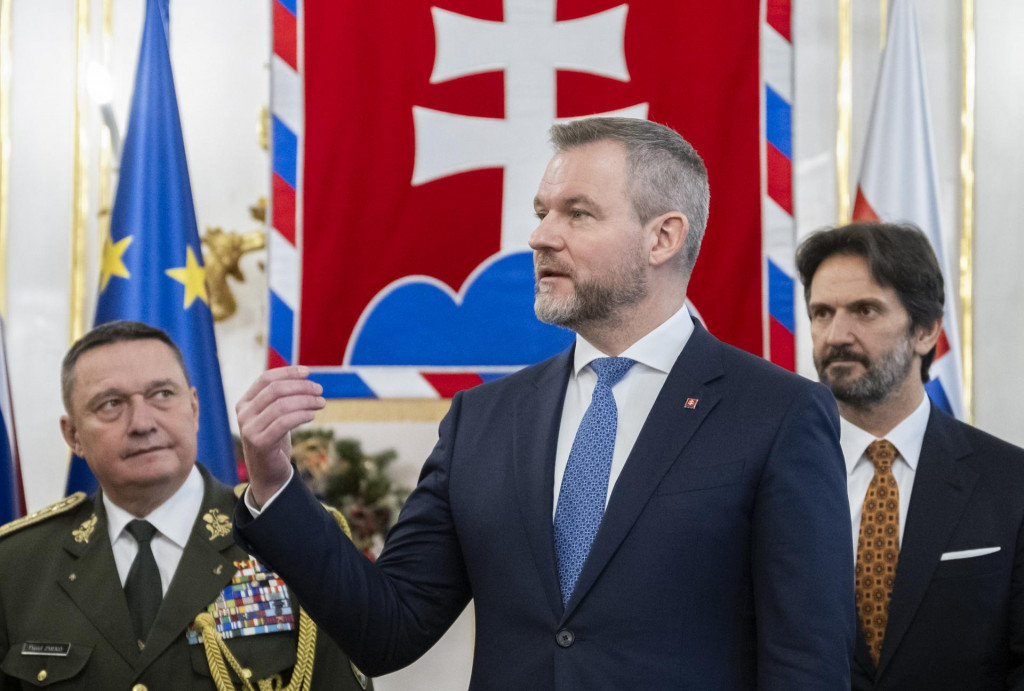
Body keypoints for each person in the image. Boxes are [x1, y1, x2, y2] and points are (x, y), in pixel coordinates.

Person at [234, 117, 855, 689]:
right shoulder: (483, 420)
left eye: (577, 214)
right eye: (542, 212)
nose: (539, 236)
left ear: (662, 237)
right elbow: (387, 627)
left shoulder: (776, 415)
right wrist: (275, 483)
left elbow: (807, 663)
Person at [0, 321, 369, 691]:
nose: (142, 423)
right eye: (111, 404)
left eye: (162, 394)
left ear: (194, 407)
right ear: (73, 435)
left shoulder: (294, 542)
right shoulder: (16, 565)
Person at [796, 221, 1024, 690]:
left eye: (864, 310)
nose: (837, 334)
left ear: (925, 331)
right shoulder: (769, 474)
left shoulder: (1010, 482)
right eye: (821, 313)